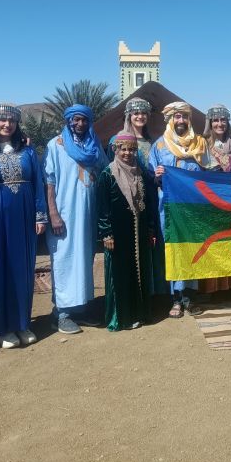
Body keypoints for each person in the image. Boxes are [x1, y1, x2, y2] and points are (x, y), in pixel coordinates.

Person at [0, 103, 48, 348]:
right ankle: (3, 329)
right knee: (1, 270)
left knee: (23, 270)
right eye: (1, 120)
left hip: (25, 217)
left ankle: (23, 324)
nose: (6, 124)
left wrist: (40, 215)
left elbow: (38, 184)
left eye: (11, 120)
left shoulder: (28, 152)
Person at [44, 104, 109, 334]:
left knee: (83, 261)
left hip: (88, 214)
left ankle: (80, 310)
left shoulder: (94, 145)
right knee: (64, 260)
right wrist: (53, 213)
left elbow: (104, 171)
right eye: (76, 120)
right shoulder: (56, 145)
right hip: (65, 214)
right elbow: (49, 181)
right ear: (68, 121)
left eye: (84, 120)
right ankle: (60, 313)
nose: (80, 124)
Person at [149, 101, 209, 318]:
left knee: (193, 249)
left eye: (184, 116)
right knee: (174, 249)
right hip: (170, 209)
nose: (181, 120)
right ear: (170, 119)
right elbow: (151, 179)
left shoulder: (200, 144)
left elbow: (208, 171)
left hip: (194, 208)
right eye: (177, 117)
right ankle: (176, 298)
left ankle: (190, 297)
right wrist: (157, 175)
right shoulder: (159, 146)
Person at [98, 133, 156, 331]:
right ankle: (121, 318)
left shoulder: (140, 173)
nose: (127, 153)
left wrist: (149, 228)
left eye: (131, 149)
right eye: (123, 149)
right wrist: (106, 233)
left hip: (138, 230)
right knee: (120, 274)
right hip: (117, 234)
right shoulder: (108, 174)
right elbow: (102, 207)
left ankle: (140, 313)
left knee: (139, 272)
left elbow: (147, 204)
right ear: (115, 150)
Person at [199, 104, 231, 296]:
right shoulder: (202, 143)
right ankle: (212, 288)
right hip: (211, 197)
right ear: (210, 122)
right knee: (214, 241)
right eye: (215, 120)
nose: (219, 124)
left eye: (222, 120)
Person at [107, 97, 153, 172]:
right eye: (136, 113)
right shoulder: (116, 139)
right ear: (129, 116)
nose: (140, 116)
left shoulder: (151, 142)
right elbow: (110, 165)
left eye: (144, 113)